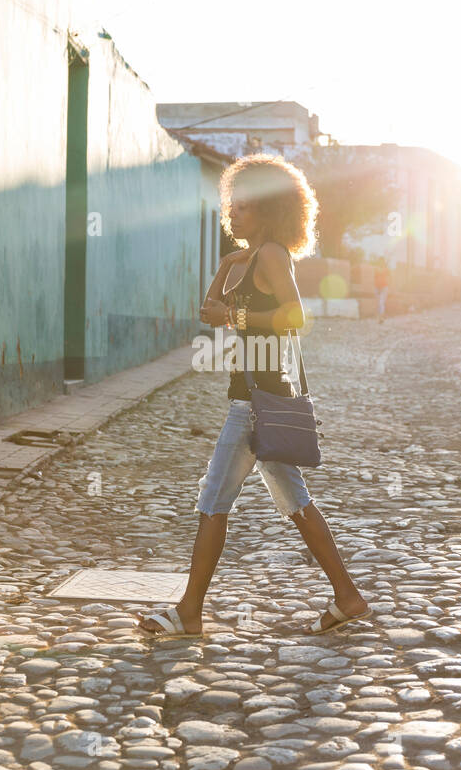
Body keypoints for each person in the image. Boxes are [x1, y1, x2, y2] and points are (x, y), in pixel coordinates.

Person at [137, 155, 369, 639]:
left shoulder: (272, 255)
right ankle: (347, 597)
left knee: (213, 499)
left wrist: (238, 317)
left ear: (268, 209)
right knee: (297, 504)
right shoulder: (247, 259)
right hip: (256, 398)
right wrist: (224, 265)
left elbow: (295, 318)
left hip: (256, 405)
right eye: (231, 205)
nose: (233, 213)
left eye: (244, 206)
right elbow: (208, 311)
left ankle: (189, 611)